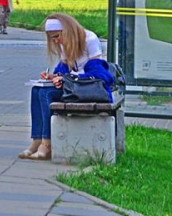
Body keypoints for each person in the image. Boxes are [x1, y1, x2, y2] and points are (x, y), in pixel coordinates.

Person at [20, 13, 115, 161]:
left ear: (67, 31)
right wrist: (54, 77)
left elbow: (98, 75)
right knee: (36, 89)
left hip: (88, 90)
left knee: (46, 94)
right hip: (74, 88)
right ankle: (37, 139)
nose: (56, 42)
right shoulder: (65, 43)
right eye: (53, 38)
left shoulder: (89, 39)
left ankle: (47, 143)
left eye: (57, 36)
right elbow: (64, 70)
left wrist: (67, 79)